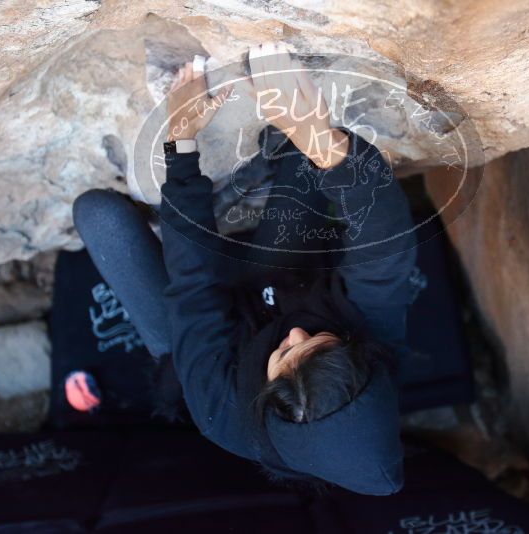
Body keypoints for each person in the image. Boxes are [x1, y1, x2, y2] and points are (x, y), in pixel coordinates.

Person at [72, 42, 417, 495]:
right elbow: (385, 243)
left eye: (286, 357)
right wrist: (317, 139)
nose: (293, 337)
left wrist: (181, 144)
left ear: (267, 394)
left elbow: (194, 286)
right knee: (314, 153)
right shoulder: (373, 349)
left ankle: (238, 190)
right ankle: (273, 156)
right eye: (315, 344)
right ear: (356, 355)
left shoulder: (223, 410)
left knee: (99, 216)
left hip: (201, 339)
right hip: (290, 286)